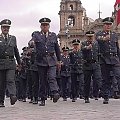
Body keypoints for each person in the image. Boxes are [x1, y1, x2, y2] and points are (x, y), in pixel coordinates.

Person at [31, 17, 61, 106]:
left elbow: (57, 49)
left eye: (46, 25)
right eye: (43, 25)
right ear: (41, 26)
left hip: (52, 60)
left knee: (52, 77)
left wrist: (59, 60)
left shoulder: (53, 35)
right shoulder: (36, 35)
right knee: (42, 80)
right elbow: (32, 41)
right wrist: (31, 43)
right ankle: (42, 98)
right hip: (41, 61)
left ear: (49, 26)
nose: (45, 27)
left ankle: (55, 93)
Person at [96, 17, 120, 104]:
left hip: (114, 59)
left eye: (110, 24)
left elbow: (117, 48)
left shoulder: (114, 35)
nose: (108, 26)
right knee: (105, 79)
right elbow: (97, 39)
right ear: (104, 25)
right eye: (107, 24)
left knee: (118, 75)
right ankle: (106, 96)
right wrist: (104, 39)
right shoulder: (99, 34)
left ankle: (117, 92)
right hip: (104, 59)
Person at [0, 19, 21, 107]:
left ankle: (13, 95)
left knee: (10, 79)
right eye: (4, 27)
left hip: (11, 62)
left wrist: (19, 63)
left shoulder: (13, 38)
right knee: (1, 83)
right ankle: (1, 101)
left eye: (7, 27)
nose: (6, 29)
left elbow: (16, 51)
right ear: (1, 28)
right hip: (1, 63)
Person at [81, 31, 102, 103]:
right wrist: (87, 48)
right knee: (87, 82)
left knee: (97, 79)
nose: (90, 38)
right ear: (86, 37)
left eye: (91, 36)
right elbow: (82, 49)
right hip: (87, 65)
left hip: (96, 64)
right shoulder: (84, 43)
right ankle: (86, 96)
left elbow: (99, 53)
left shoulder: (96, 43)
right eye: (89, 36)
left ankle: (97, 93)